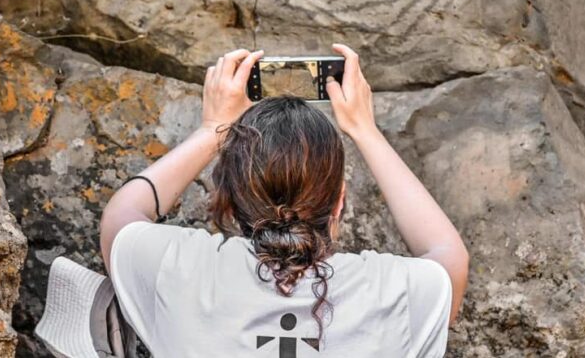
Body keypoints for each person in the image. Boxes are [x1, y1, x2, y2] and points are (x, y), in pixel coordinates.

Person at [99, 43, 469, 357]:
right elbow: (448, 253)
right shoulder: (393, 294)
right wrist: (364, 130)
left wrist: (212, 129)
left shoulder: (178, 269)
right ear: (340, 201)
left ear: (226, 201)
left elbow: (122, 214)